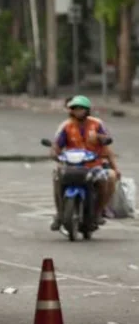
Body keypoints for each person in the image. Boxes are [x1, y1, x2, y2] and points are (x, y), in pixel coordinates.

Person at [50, 95, 121, 231]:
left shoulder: (97, 124)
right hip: (71, 166)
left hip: (93, 166)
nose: (78, 112)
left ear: (87, 110)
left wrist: (99, 138)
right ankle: (60, 214)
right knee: (57, 177)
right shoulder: (66, 126)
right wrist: (55, 154)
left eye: (81, 109)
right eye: (75, 109)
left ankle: (97, 213)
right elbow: (57, 146)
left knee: (109, 177)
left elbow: (107, 142)